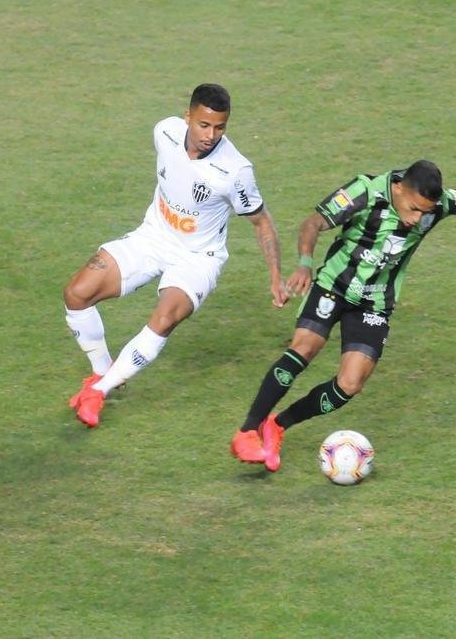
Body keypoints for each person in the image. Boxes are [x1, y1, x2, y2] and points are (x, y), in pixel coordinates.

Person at [229, 159, 456, 471]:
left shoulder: (437, 205)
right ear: (398, 189)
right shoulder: (365, 190)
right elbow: (313, 223)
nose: (418, 218)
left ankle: (276, 425)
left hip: (375, 301)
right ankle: (247, 432)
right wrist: (304, 262)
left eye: (426, 212)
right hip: (334, 285)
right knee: (304, 348)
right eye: (413, 208)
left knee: (350, 384)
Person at [64, 83, 288, 427]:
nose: (211, 135)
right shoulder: (165, 132)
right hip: (152, 237)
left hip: (198, 257)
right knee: (77, 293)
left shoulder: (235, 172)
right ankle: (102, 373)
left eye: (220, 127)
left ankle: (100, 392)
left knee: (166, 316)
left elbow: (262, 222)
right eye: (203, 125)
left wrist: (275, 275)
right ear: (187, 117)